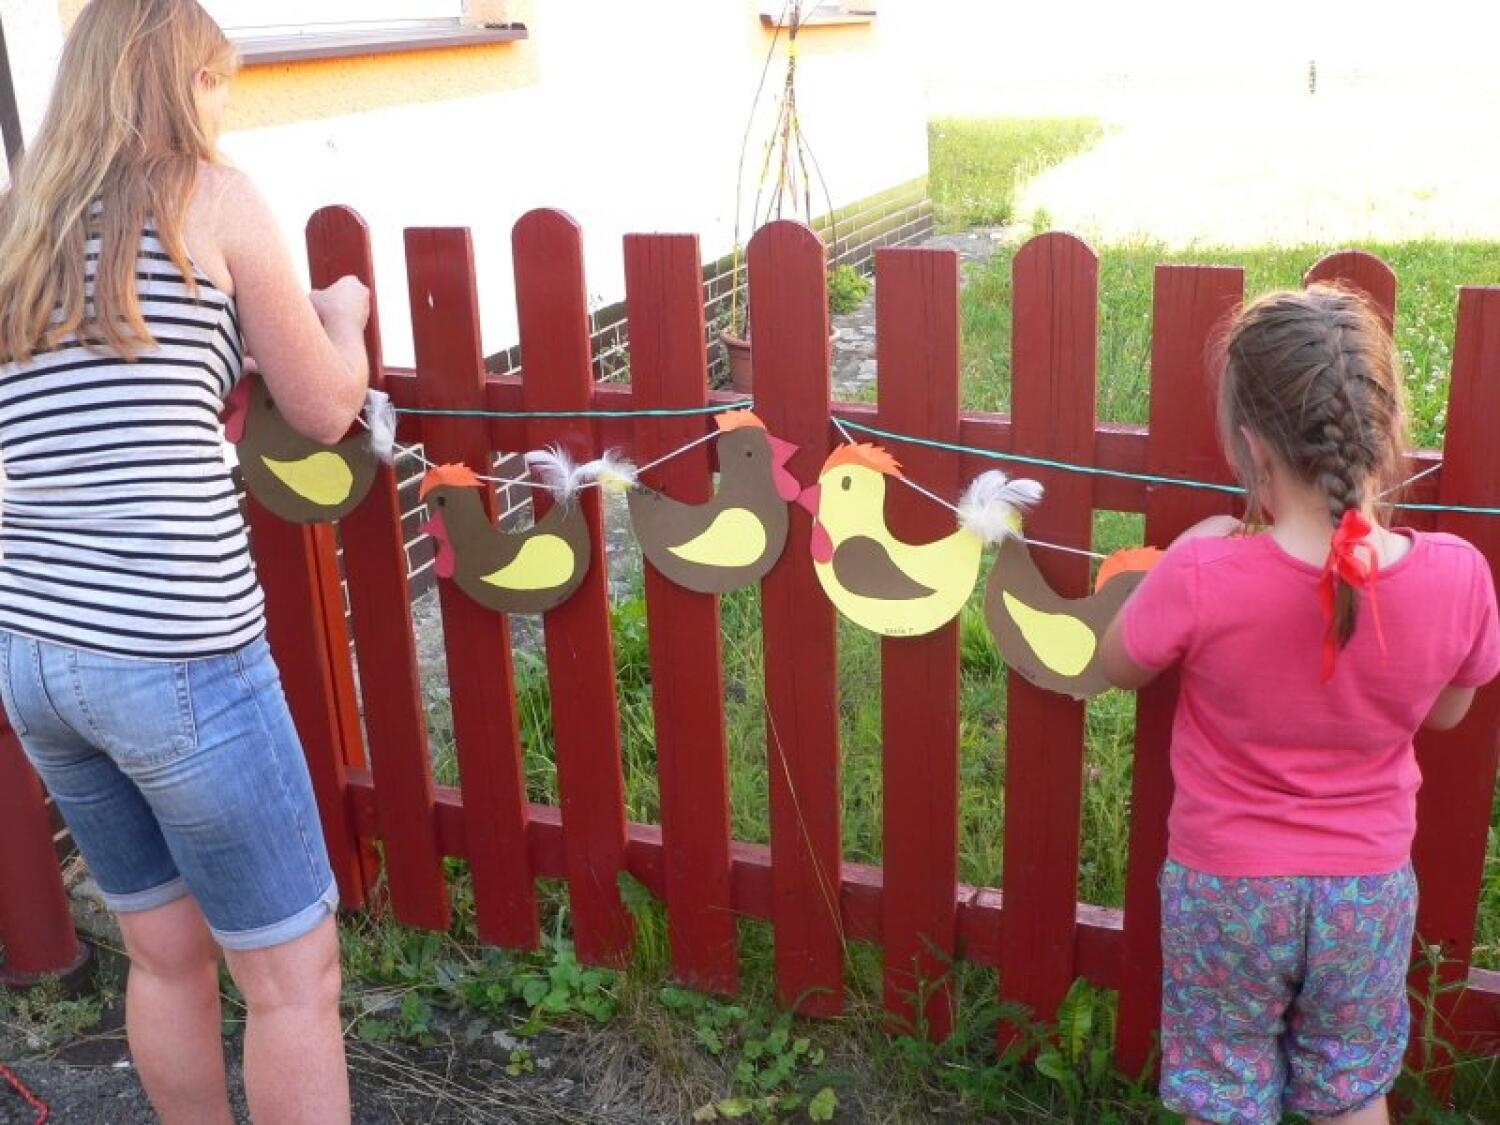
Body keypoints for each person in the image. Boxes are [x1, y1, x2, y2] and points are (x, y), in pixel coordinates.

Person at [0, 2, 369, 1121]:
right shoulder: (213, 197)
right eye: (217, 81)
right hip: (178, 653)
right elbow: (323, 406)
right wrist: (343, 315)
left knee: (164, 957)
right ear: (183, 81)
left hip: (36, 651)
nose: (222, 104)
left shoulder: (18, 229)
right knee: (292, 978)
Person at [1100, 284, 1500, 1125]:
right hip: (1367, 890)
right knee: (1352, 1092)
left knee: (1224, 1090)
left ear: (1250, 446)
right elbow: (1448, 714)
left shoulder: (1204, 570)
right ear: (1389, 433)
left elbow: (1118, 664)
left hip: (1227, 888)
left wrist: (1181, 557)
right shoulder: (1460, 574)